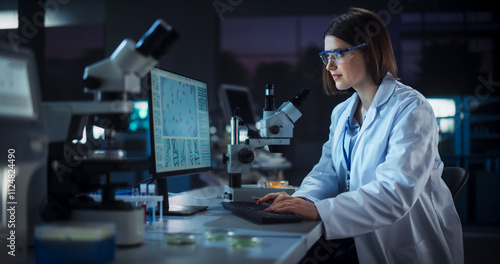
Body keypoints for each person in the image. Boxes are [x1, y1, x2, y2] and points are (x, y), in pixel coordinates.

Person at [253, 7, 464, 264]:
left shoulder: (411, 109)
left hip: (404, 247)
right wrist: (300, 200)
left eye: (338, 54)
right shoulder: (342, 113)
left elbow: (394, 193)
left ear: (369, 51)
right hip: (358, 237)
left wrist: (319, 210)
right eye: (326, 56)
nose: (329, 65)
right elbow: (327, 172)